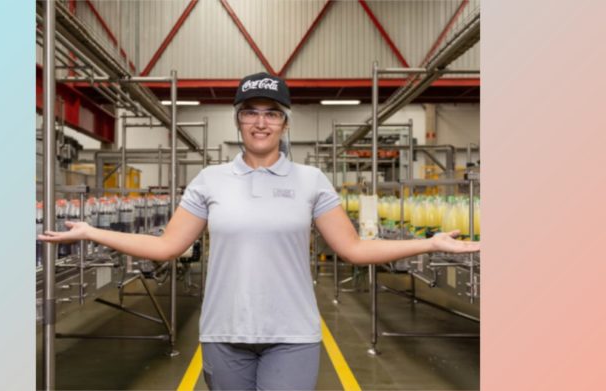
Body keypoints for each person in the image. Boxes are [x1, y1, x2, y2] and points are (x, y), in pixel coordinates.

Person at [39, 72, 480, 390]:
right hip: (223, 333)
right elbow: (167, 246)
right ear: (238, 120)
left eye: (272, 113)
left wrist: (430, 241)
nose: (261, 122)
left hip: (292, 336)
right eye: (250, 112)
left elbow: (355, 249)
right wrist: (93, 233)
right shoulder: (210, 180)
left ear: (285, 122)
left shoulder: (311, 180)